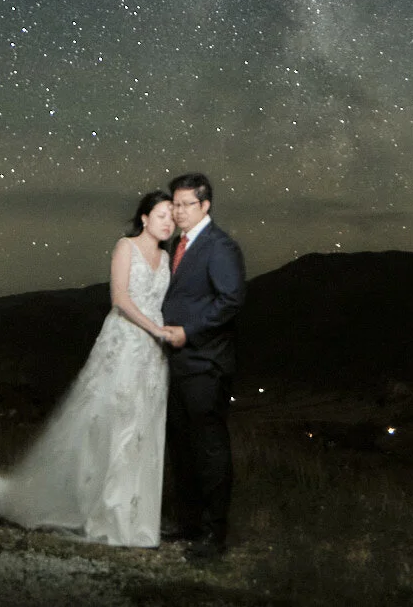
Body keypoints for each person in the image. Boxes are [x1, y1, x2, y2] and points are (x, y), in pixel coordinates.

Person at [0, 190, 177, 546]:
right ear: (144, 218)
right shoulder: (125, 247)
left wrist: (165, 333)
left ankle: (134, 517)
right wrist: (155, 328)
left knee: (143, 428)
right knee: (111, 424)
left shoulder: (166, 258)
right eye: (161, 215)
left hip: (152, 354)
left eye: (172, 216)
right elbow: (121, 299)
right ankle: (106, 513)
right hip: (125, 342)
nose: (168, 222)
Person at [159, 171, 246, 560]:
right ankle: (189, 524)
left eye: (186, 205)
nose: (177, 212)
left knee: (209, 449)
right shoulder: (179, 243)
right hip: (176, 365)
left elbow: (229, 301)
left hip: (205, 364)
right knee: (182, 448)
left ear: (205, 205)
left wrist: (188, 332)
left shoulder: (220, 246)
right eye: (174, 204)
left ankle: (214, 534)